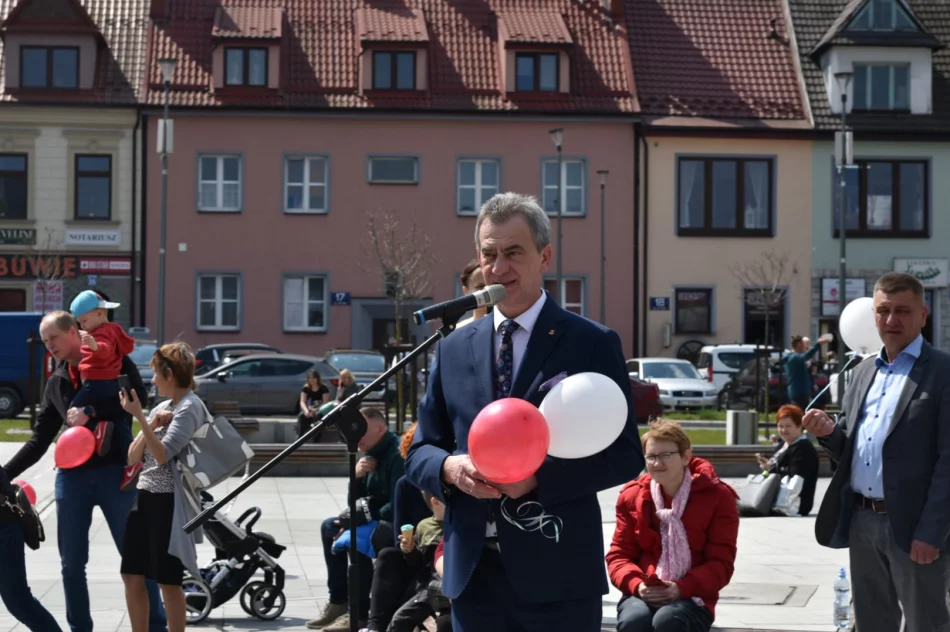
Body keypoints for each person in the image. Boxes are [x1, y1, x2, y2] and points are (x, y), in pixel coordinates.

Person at [405, 192, 645, 631]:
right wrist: (450, 469)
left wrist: (537, 479)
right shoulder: (454, 347)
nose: (499, 268)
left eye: (513, 252)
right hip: (472, 574)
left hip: (558, 575)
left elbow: (626, 455)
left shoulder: (591, 342)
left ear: (544, 257)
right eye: (489, 254)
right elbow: (420, 451)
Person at [802, 272, 950, 632]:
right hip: (862, 522)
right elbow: (852, 451)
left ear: (923, 315)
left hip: (915, 527)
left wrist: (932, 532)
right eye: (883, 310)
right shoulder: (863, 372)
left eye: (903, 311)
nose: (891, 319)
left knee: (926, 624)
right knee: (871, 624)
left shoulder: (943, 371)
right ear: (874, 316)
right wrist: (829, 433)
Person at [3, 310, 167, 632]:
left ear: (74, 333)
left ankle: (156, 626)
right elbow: (40, 438)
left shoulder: (115, 360)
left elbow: (138, 397)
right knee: (71, 566)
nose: (49, 345)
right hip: (72, 478)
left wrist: (92, 410)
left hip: (116, 475)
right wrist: (4, 473)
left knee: (136, 559)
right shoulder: (57, 381)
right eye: (45, 340)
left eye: (54, 337)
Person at [607, 420, 738, 632]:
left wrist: (681, 588)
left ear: (686, 457)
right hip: (642, 591)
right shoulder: (632, 496)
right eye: (651, 456)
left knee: (668, 620)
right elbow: (619, 555)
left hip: (693, 595)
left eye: (665, 455)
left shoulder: (717, 496)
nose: (657, 463)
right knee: (634, 621)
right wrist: (637, 585)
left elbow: (721, 563)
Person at [120, 342, 204, 632]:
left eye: (156, 373)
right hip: (144, 496)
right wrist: (151, 421)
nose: (153, 380)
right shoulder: (162, 408)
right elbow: (132, 457)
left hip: (169, 502)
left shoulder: (190, 407)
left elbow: (162, 455)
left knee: (168, 580)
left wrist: (140, 418)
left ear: (170, 374)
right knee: (131, 574)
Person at [309, 407, 406, 631]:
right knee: (328, 527)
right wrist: (356, 476)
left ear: (380, 429)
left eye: (362, 430)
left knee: (357, 538)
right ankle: (338, 601)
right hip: (373, 517)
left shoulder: (396, 454)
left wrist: (358, 522)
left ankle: (359, 613)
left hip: (396, 522)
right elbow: (355, 501)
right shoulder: (369, 452)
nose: (356, 435)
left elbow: (397, 504)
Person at [362, 490, 447, 632]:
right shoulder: (424, 527)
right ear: (435, 502)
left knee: (403, 618)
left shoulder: (458, 526)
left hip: (445, 584)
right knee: (400, 618)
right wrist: (409, 550)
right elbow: (418, 563)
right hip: (427, 584)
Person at [68, 290, 136, 457]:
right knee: (118, 422)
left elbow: (106, 349)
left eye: (84, 321)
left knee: (73, 412)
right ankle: (131, 456)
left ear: (100, 313)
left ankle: (91, 434)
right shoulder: (108, 330)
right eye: (79, 323)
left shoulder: (104, 332)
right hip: (105, 382)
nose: (82, 326)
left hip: (97, 382)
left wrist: (95, 346)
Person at [0, 466, 62, 631]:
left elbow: (35, 449)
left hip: (3, 527)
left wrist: (5, 477)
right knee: (18, 601)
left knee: (18, 601)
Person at [755, 404, 819, 516]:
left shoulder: (804, 449)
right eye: (780, 426)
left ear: (799, 426)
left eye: (788, 426)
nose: (783, 430)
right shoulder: (782, 445)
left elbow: (795, 478)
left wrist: (772, 469)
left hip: (793, 504)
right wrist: (768, 467)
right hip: (777, 500)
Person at [782, 333, 833, 409]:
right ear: (799, 344)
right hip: (799, 393)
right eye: (803, 344)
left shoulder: (793, 357)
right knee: (801, 413)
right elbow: (807, 356)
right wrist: (818, 344)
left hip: (799, 393)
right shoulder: (794, 357)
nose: (804, 346)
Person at [298, 370, 331, 439]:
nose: (311, 380)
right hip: (309, 409)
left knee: (318, 416)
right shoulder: (306, 388)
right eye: (310, 378)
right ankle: (300, 437)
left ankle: (316, 437)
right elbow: (302, 401)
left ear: (317, 378)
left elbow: (325, 402)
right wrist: (306, 411)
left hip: (320, 410)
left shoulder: (323, 388)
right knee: (302, 416)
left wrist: (315, 410)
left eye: (313, 378)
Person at [456, 258, 488, 329]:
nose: (487, 291)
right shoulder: (459, 331)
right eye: (480, 287)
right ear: (466, 291)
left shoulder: (508, 327)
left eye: (491, 285)